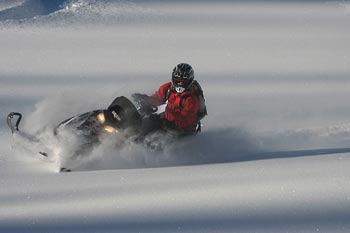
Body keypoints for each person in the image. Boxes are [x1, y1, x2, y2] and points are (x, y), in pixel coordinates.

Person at [134, 63, 205, 136]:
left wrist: (168, 118)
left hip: (184, 130)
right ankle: (132, 135)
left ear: (190, 81)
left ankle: (140, 143)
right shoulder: (169, 88)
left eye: (184, 82)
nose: (180, 84)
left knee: (151, 125)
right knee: (145, 121)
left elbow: (186, 120)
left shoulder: (191, 99)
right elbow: (158, 98)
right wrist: (146, 101)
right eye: (178, 80)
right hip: (168, 120)